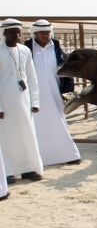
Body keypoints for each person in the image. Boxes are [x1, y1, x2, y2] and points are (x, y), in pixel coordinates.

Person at [25, 20, 81, 166]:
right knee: (36, 125)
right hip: (33, 95)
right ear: (35, 33)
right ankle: (39, 158)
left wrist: (67, 92)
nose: (46, 35)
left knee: (59, 122)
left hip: (55, 92)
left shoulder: (56, 49)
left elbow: (67, 71)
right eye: (42, 33)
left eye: (48, 32)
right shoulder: (27, 49)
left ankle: (68, 154)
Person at [0, 19, 43, 184]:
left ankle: (28, 169)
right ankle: (8, 171)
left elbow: (32, 77)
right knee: (7, 137)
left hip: (24, 101)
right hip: (5, 101)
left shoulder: (25, 50)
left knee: (27, 134)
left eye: (18, 31)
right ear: (4, 33)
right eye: (12, 31)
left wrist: (35, 102)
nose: (17, 34)